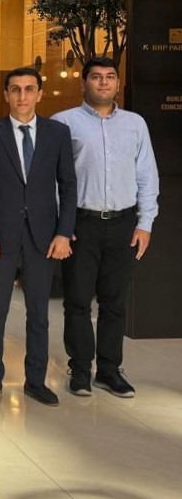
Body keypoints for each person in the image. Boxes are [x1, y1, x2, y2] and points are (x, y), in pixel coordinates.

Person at [0, 67, 77, 407]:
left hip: (44, 237)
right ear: (6, 94)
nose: (22, 95)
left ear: (40, 94)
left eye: (29, 89)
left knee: (38, 313)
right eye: (15, 89)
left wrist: (64, 232)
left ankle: (36, 381)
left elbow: (68, 186)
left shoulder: (58, 133)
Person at [52, 57, 159, 398]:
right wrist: (61, 225)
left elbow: (147, 175)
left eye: (110, 77)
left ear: (116, 83)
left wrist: (145, 223)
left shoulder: (135, 124)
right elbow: (53, 180)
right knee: (77, 301)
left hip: (124, 223)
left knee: (115, 302)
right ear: (83, 82)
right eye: (96, 77)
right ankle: (81, 370)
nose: (103, 82)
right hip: (80, 224)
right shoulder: (63, 123)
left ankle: (110, 370)